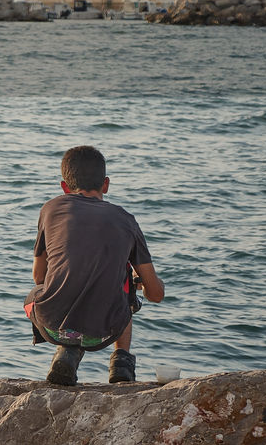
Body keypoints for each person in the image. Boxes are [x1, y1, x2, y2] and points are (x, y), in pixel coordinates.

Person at [25, 145, 165, 385]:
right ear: (106, 185)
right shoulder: (126, 220)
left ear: (64, 188)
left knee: (34, 295)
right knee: (125, 289)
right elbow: (156, 295)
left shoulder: (50, 209)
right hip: (105, 332)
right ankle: (121, 363)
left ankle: (67, 351)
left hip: (51, 325)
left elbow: (39, 276)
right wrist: (134, 283)